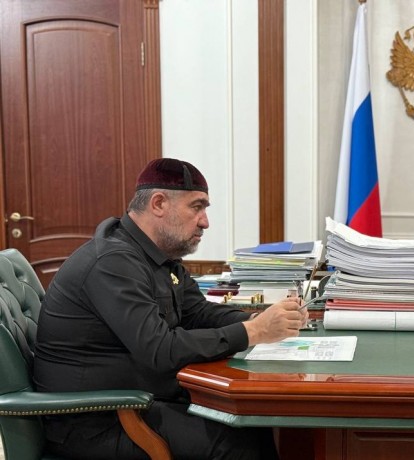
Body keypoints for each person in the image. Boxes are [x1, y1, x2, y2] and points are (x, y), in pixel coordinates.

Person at [34, 158, 308, 459]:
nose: (205, 222)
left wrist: (262, 319)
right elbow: (159, 349)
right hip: (96, 419)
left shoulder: (157, 256)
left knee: (251, 423)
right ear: (159, 203)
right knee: (237, 441)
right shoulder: (112, 262)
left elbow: (197, 313)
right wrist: (253, 331)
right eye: (196, 207)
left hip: (140, 400)